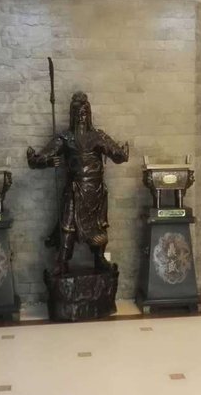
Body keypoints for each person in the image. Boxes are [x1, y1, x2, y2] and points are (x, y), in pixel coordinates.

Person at [27, 92, 129, 276]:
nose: (82, 117)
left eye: (85, 113)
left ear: (89, 114)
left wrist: (122, 153)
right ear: (72, 115)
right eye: (78, 113)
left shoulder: (98, 136)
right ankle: (62, 261)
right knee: (68, 226)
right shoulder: (65, 138)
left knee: (100, 225)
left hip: (96, 190)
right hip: (75, 189)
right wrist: (47, 162)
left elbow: (117, 155)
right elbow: (38, 160)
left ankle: (99, 258)